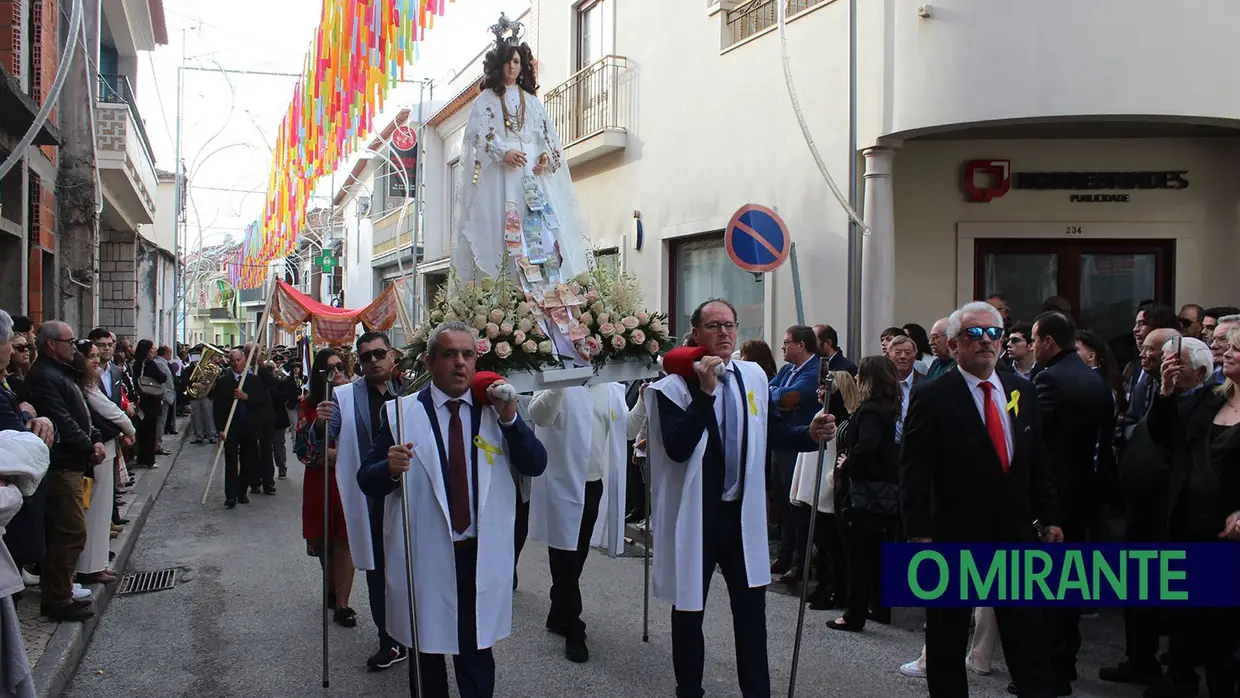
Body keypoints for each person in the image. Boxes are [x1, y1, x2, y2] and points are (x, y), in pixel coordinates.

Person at [647, 299, 837, 698]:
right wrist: (704, 394)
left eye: (729, 325)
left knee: (751, 614)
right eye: (713, 325)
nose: (723, 333)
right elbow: (678, 447)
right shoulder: (671, 388)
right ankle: (689, 690)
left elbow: (771, 429)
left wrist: (809, 434)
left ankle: (757, 692)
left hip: (741, 516)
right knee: (688, 609)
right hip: (697, 517)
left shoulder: (751, 376)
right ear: (695, 333)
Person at [357, 321, 547, 698]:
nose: (460, 363)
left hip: (479, 553)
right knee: (425, 649)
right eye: (449, 354)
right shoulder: (400, 413)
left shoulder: (496, 410)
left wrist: (510, 419)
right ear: (429, 362)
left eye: (468, 355)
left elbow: (535, 463)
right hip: (426, 553)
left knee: (476, 650)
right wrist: (389, 469)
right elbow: (367, 478)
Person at [899, 301, 1061, 698]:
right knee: (947, 635)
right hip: (954, 533)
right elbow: (914, 471)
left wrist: (1051, 516)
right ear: (954, 345)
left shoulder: (1021, 390)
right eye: (974, 334)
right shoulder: (933, 395)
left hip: (1015, 532)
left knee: (1026, 631)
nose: (986, 341)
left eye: (994, 333)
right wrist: (919, 533)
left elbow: (1036, 458)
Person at [452, 18, 588, 299]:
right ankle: (506, 287)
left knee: (539, 228)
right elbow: (481, 134)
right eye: (507, 62)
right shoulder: (486, 99)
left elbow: (547, 140)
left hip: (531, 176)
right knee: (502, 226)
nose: (512, 67)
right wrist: (503, 151)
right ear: (497, 65)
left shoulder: (533, 101)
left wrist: (545, 159)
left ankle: (544, 287)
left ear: (522, 64)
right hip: (502, 176)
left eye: (516, 61)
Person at [1029, 311, 1116, 693]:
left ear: (1048, 341)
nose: (1032, 347)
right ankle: (1065, 663)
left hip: (1054, 498)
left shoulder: (1049, 378)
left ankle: (1048, 671)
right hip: (1085, 494)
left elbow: (1033, 437)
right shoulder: (1095, 379)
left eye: (1033, 340)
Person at [1148, 333, 1238, 697]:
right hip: (1188, 526)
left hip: (1229, 536)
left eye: (1235, 349)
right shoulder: (1211, 397)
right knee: (1186, 622)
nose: (1225, 353)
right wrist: (1166, 392)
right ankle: (1180, 683)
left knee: (1225, 633)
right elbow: (1168, 439)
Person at [527, 382, 627, 663]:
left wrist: (644, 402)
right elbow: (539, 416)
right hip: (561, 482)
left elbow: (627, 429)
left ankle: (559, 611)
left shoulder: (610, 387)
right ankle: (574, 628)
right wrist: (558, 386)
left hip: (592, 484)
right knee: (564, 557)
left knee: (577, 555)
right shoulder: (556, 380)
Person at [327, 332, 409, 670]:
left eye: (379, 354)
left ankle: (416, 633)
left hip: (411, 498)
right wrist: (320, 426)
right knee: (378, 573)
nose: (374, 360)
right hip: (373, 497)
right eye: (366, 357)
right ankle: (388, 640)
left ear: (391, 356)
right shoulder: (345, 397)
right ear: (358, 364)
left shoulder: (411, 389)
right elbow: (322, 436)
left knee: (412, 571)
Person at [27, 321, 106, 621]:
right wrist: (88, 446)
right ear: (50, 344)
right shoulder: (45, 376)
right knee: (69, 531)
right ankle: (57, 598)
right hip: (61, 465)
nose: (74, 346)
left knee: (69, 531)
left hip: (73, 462)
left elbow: (81, 412)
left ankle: (62, 590)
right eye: (68, 341)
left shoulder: (63, 373)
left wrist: (95, 437)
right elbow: (61, 419)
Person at [828, 356, 902, 632]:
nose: (856, 378)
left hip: (864, 492)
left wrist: (847, 463)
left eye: (860, 374)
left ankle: (854, 613)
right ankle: (879, 607)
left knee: (859, 555)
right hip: (882, 490)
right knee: (877, 553)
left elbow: (868, 446)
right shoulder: (887, 407)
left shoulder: (870, 410)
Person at [299, 349, 355, 626]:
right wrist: (324, 453)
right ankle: (331, 587)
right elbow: (301, 447)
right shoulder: (310, 404)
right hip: (320, 479)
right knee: (325, 541)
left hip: (347, 479)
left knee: (346, 540)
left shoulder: (355, 398)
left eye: (340, 367)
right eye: (329, 369)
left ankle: (343, 602)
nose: (337, 373)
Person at [72, 339, 133, 585]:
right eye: (91, 356)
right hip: (96, 450)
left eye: (98, 355)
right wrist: (129, 429)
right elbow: (109, 410)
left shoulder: (92, 381)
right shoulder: (85, 384)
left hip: (107, 446)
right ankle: (89, 566)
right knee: (95, 511)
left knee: (103, 510)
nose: (97, 360)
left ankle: (98, 563)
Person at [213, 348, 273, 508]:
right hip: (231, 428)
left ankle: (241, 492)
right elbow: (218, 407)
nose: (236, 364)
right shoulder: (223, 382)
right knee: (231, 462)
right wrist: (220, 429)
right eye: (232, 361)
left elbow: (262, 402)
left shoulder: (254, 380)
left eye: (238, 360)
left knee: (248, 462)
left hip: (249, 427)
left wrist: (247, 397)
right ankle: (230, 495)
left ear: (244, 360)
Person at [130, 341, 167, 468]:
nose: (154, 351)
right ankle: (149, 460)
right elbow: (162, 378)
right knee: (150, 431)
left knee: (142, 431)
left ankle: (141, 457)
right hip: (151, 400)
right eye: (152, 348)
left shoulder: (136, 364)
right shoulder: (150, 364)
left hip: (141, 400)